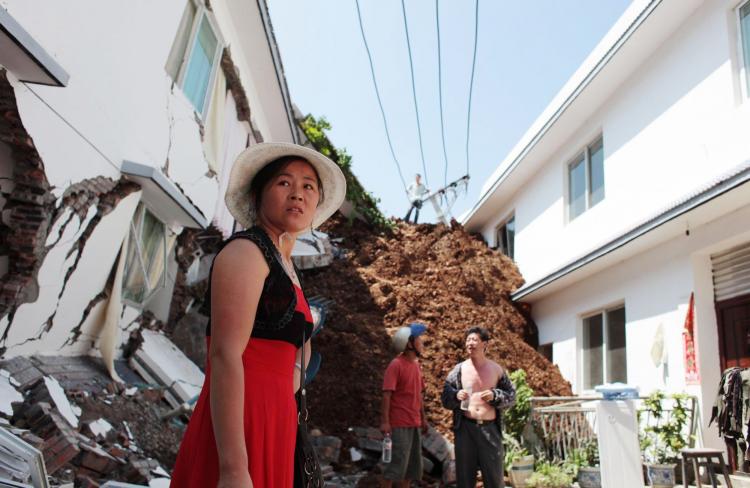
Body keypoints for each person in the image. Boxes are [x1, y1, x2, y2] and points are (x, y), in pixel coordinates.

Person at [170, 142, 346, 488]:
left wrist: (286, 383)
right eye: (284, 183)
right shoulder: (246, 252)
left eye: (308, 186)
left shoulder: (286, 264)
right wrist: (233, 469)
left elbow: (301, 342)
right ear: (258, 195)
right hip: (240, 420)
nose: (298, 193)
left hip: (275, 416)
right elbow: (224, 355)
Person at [441, 327, 516, 488]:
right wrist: (456, 395)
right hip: (465, 429)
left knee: (494, 478)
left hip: (489, 429)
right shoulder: (458, 370)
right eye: (468, 340)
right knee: (465, 478)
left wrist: (495, 396)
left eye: (474, 339)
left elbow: (511, 397)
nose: (470, 343)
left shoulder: (496, 369)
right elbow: (445, 398)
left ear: (485, 344)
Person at [380, 322, 429, 488]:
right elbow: (387, 395)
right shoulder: (396, 365)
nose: (422, 342)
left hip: (414, 423)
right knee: (393, 470)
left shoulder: (416, 366)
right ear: (409, 343)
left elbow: (419, 395)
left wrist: (424, 418)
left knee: (411, 470)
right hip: (398, 424)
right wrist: (385, 422)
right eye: (419, 339)